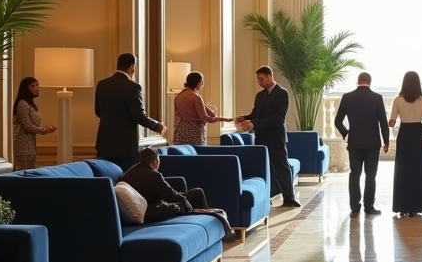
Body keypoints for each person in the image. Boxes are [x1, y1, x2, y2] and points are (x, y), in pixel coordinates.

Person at [119, 147, 233, 235]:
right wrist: (184, 199)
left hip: (149, 207)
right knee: (193, 195)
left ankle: (204, 216)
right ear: (155, 161)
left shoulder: (130, 172)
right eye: (158, 161)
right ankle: (206, 217)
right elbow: (172, 196)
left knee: (194, 194)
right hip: (153, 211)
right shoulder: (154, 175)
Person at [235, 65, 300, 208]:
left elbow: (278, 118)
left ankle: (289, 197)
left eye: (261, 79)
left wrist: (254, 123)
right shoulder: (260, 95)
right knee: (263, 167)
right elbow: (256, 114)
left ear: (270, 76)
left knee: (281, 167)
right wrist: (244, 118)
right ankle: (266, 197)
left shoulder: (282, 93)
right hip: (261, 138)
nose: (259, 82)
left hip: (276, 138)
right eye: (258, 80)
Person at [334, 72, 390, 216]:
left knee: (354, 174)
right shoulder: (377, 98)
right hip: (372, 144)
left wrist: (347, 134)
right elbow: (383, 122)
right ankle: (369, 206)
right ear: (370, 82)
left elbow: (337, 121)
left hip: (354, 143)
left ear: (357, 81)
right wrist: (386, 142)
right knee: (370, 175)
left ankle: (354, 206)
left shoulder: (347, 97)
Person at [95, 53, 166, 160]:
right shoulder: (133, 87)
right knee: (125, 175)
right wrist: (158, 126)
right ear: (132, 67)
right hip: (124, 144)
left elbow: (98, 111)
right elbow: (138, 115)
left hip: (104, 142)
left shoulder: (102, 84)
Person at [388, 70, 422, 217]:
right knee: (419, 169)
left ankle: (403, 205)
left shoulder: (398, 100)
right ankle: (418, 206)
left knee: (403, 169)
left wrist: (391, 120)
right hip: (418, 134)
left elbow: (392, 122)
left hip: (405, 133)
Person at [172, 71, 231, 145]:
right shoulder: (196, 97)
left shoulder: (178, 96)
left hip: (181, 131)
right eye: (202, 82)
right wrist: (224, 119)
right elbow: (207, 118)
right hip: (194, 132)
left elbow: (177, 116)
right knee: (196, 155)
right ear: (199, 82)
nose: (202, 85)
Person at [12, 76, 56, 170]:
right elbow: (27, 126)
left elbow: (32, 125)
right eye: (33, 86)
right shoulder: (22, 104)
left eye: (37, 85)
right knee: (24, 172)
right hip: (23, 145)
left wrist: (44, 128)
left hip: (30, 144)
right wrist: (44, 130)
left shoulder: (29, 104)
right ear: (25, 88)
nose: (36, 88)